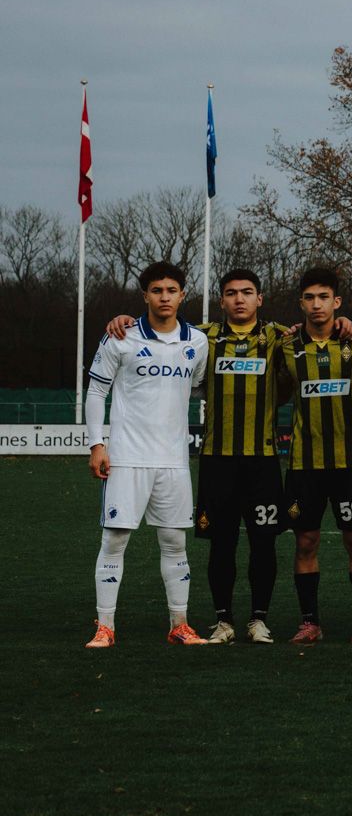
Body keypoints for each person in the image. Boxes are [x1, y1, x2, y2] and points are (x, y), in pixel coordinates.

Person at [106, 268, 288, 643]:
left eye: (248, 292)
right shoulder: (202, 338)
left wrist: (345, 325)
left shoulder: (279, 337)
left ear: (260, 299)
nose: (240, 299)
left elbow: (318, 333)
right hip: (217, 459)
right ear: (220, 300)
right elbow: (160, 331)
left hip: (263, 459)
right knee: (220, 542)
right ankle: (223, 621)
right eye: (232, 293)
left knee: (263, 542)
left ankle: (258, 619)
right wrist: (123, 320)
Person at [83, 261, 211, 648]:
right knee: (115, 540)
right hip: (126, 458)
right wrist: (97, 445)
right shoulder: (120, 336)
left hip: (174, 460)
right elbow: (95, 392)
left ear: (183, 294)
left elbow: (201, 388)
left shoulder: (197, 342)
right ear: (145, 296)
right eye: (157, 290)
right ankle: (105, 627)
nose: (165, 297)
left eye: (172, 290)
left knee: (175, 542)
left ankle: (180, 624)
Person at [272, 267, 352, 644]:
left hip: (350, 462)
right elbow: (279, 392)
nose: (316, 305)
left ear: (336, 302)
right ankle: (310, 622)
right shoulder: (285, 346)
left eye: (324, 298)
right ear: (300, 302)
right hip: (304, 463)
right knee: (305, 542)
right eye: (309, 298)